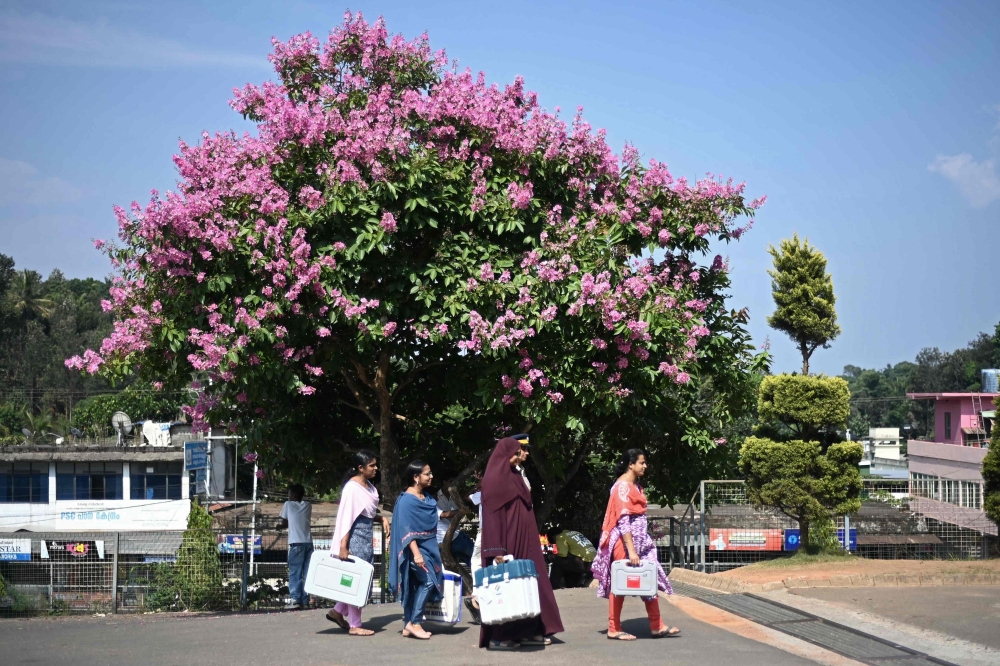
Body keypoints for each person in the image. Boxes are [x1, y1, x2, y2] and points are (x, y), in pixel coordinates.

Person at [479, 435, 564, 650]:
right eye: (517, 453)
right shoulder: (493, 480)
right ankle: (500, 636)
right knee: (507, 588)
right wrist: (496, 549)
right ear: (506, 454)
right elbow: (491, 518)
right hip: (507, 542)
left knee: (530, 584)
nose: (520, 457)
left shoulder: (515, 476)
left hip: (525, 540)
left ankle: (530, 631)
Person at [591, 449, 681, 640]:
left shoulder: (637, 487)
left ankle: (657, 626)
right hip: (625, 543)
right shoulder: (622, 487)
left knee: (649, 579)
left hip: (641, 543)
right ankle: (613, 628)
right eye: (642, 462)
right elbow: (623, 521)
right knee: (620, 583)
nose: (645, 466)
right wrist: (631, 551)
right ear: (630, 464)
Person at [325, 450, 390, 636]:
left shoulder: (369, 486)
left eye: (376, 464)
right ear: (360, 468)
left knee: (361, 580)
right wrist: (343, 546)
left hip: (366, 537)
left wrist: (381, 518)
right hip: (354, 539)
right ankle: (355, 625)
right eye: (372, 465)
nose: (376, 468)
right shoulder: (352, 488)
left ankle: (337, 612)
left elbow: (366, 513)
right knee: (356, 581)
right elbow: (347, 518)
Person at [388, 460, 444, 640]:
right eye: (427, 474)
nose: (431, 476)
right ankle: (415, 622)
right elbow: (407, 530)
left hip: (429, 547)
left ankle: (407, 626)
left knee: (416, 585)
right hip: (414, 551)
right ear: (416, 477)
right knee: (428, 581)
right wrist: (417, 555)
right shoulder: (406, 501)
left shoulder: (426, 498)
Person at [278, 483, 312, 610]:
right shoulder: (308, 505)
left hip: (296, 543)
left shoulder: (288, 504)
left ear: (294, 495)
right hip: (308, 543)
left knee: (295, 572)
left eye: (289, 494)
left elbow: (285, 522)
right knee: (307, 573)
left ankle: (295, 600)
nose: (288, 496)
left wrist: (280, 527)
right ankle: (305, 601)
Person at [434, 486, 475, 569]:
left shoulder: (420, 508)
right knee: (476, 557)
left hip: (441, 542)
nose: (436, 496)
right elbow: (445, 514)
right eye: (434, 495)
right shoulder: (430, 506)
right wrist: (462, 511)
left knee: (468, 561)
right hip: (454, 538)